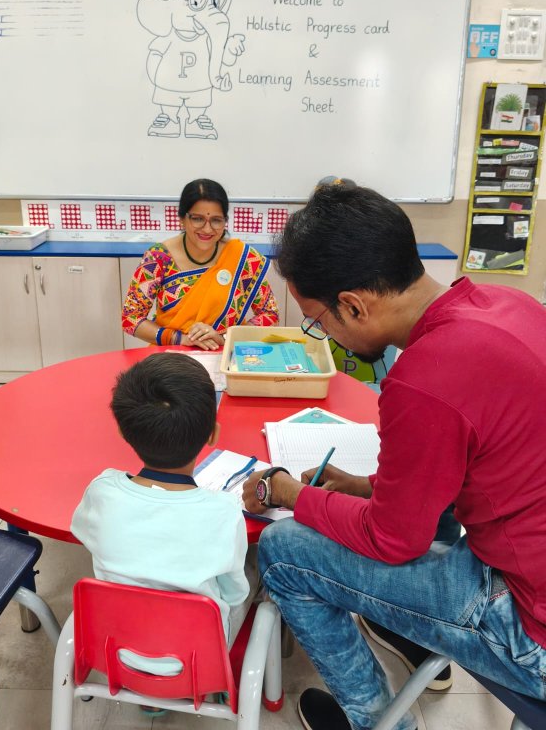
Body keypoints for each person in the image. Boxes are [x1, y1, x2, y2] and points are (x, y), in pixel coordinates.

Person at [242, 180, 546, 730]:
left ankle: (379, 721)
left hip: (529, 625)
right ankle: (405, 637)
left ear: (353, 305)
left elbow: (392, 539)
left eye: (317, 321)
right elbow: (481, 453)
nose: (323, 333)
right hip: (529, 561)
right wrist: (366, 486)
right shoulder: (510, 304)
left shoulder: (425, 377)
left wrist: (291, 493)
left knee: (284, 552)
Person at [72, 353, 257, 656]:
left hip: (116, 648)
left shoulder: (102, 491)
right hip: (199, 657)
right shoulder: (224, 511)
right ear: (213, 434)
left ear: (122, 431)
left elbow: (82, 532)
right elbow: (235, 594)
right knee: (253, 568)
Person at [122, 178, 279, 350]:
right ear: (182, 218)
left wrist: (224, 338)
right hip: (171, 357)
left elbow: (270, 315)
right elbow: (131, 318)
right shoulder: (158, 258)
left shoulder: (244, 258)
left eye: (216, 220)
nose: (207, 229)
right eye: (197, 219)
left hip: (224, 354)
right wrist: (179, 338)